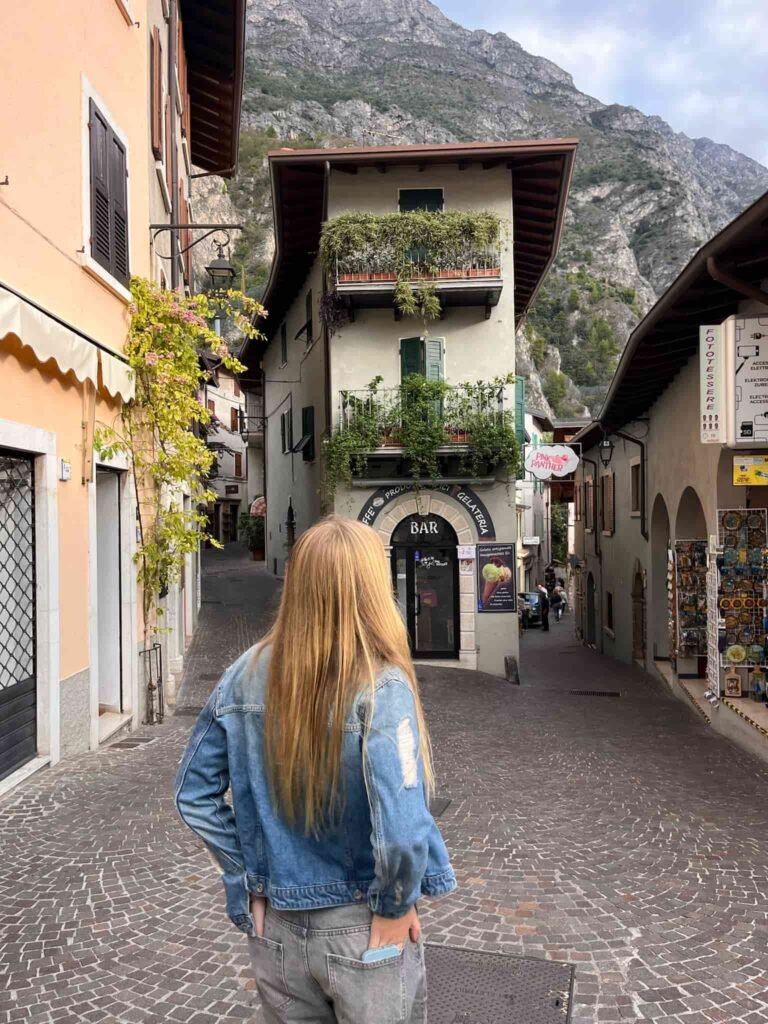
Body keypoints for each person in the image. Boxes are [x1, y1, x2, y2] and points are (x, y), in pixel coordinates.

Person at [175, 517, 456, 1024]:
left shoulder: (243, 673)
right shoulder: (382, 685)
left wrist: (246, 880)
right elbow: (401, 830)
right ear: (372, 587)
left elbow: (192, 796)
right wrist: (394, 906)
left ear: (298, 584)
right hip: (363, 927)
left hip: (276, 930)